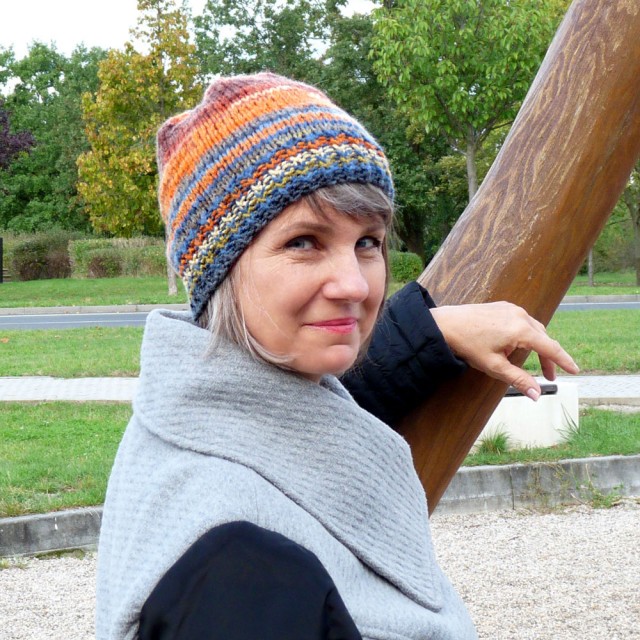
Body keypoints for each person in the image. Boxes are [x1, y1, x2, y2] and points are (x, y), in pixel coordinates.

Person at [95, 73, 578, 640]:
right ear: (218, 269)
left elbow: (309, 424)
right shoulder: (232, 572)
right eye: (303, 242)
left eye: (367, 242)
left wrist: (432, 330)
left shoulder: (202, 411)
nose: (355, 284)